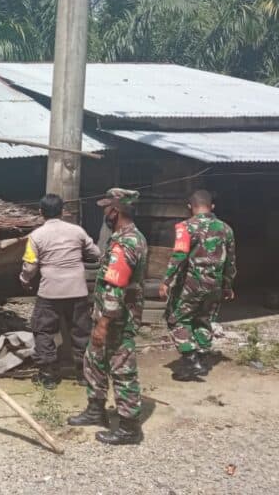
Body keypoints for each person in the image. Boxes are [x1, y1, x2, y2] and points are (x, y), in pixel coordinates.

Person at [68, 188, 147, 446]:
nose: (104, 212)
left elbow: (116, 286)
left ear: (116, 211)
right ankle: (96, 410)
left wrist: (103, 323)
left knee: (122, 370)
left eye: (106, 208)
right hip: (107, 316)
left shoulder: (127, 242)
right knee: (94, 361)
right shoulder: (119, 238)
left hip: (116, 320)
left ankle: (129, 428)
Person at [20, 193, 100, 389]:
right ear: (62, 211)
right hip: (77, 289)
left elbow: (30, 267)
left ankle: (48, 374)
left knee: (43, 330)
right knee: (81, 331)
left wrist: (24, 279)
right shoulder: (77, 231)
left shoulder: (36, 236)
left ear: (41, 213)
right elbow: (96, 253)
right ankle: (83, 374)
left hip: (50, 292)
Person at [159, 190, 236, 381]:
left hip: (191, 284)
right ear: (212, 206)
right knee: (204, 319)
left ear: (189, 207)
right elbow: (231, 262)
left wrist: (166, 281)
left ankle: (191, 359)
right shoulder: (226, 229)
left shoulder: (185, 227)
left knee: (176, 319)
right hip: (215, 285)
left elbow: (179, 255)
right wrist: (228, 286)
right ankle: (201, 359)